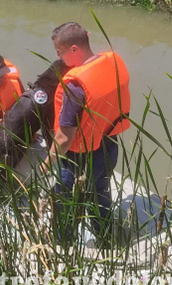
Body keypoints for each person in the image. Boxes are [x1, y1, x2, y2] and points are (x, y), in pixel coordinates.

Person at [43, 22, 131, 244]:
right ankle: (105, 236)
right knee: (100, 192)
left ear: (74, 49)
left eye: (60, 52)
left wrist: (45, 165)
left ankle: (62, 242)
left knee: (63, 197)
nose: (59, 58)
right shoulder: (112, 62)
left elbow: (64, 138)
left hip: (80, 156)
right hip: (109, 143)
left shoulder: (75, 86)